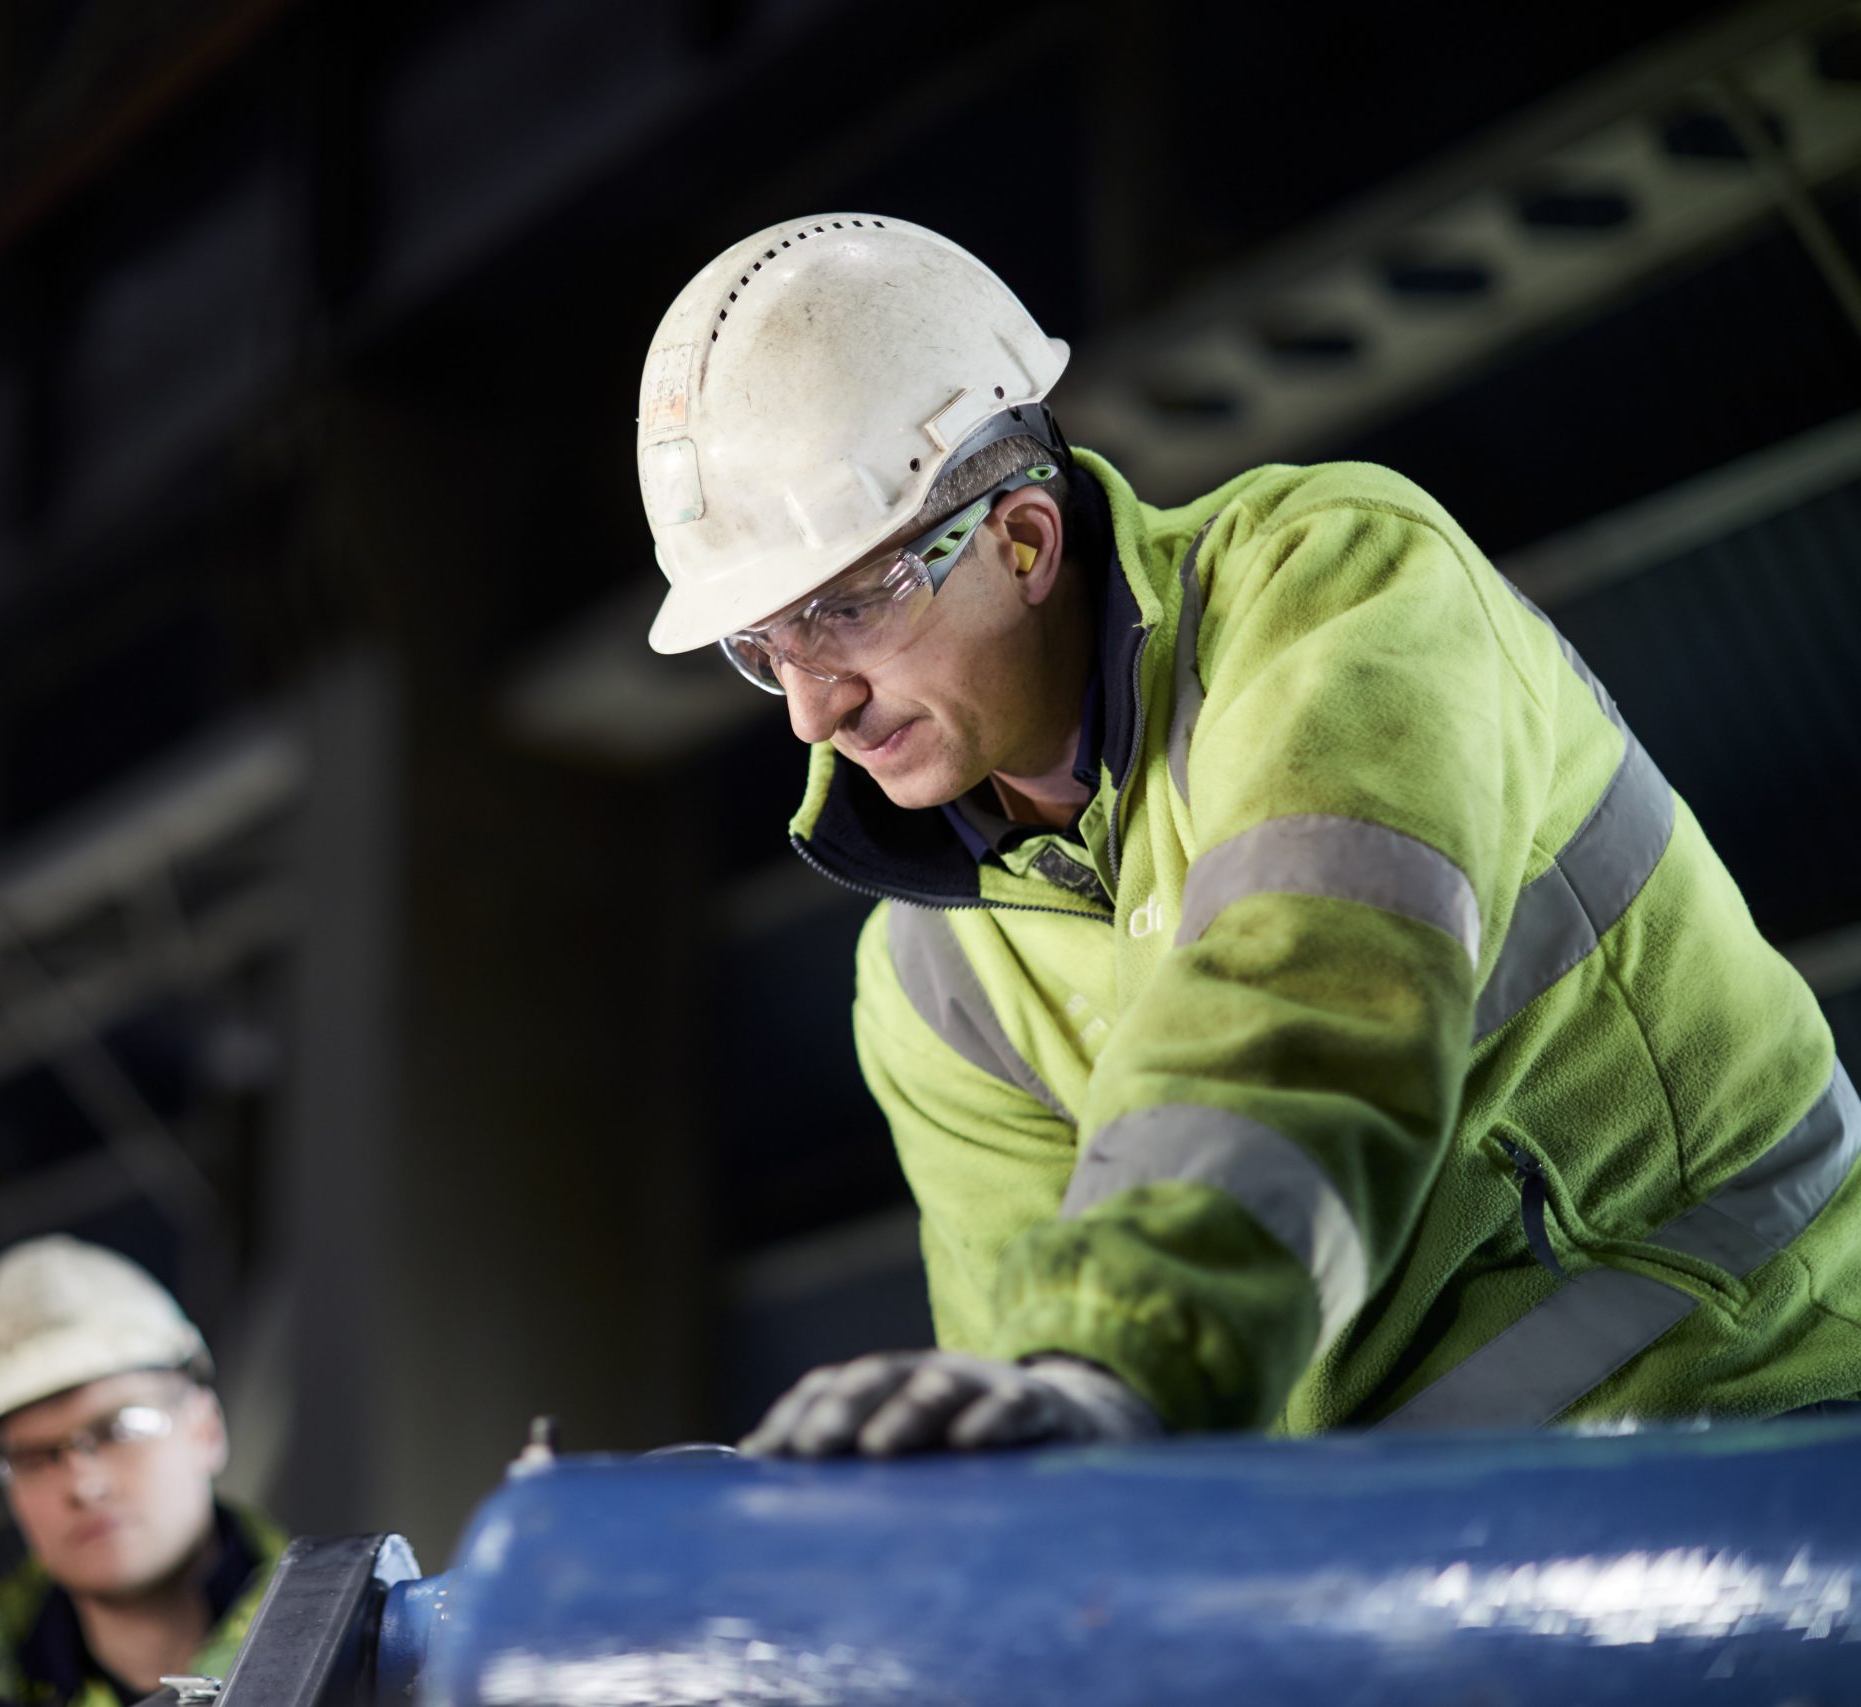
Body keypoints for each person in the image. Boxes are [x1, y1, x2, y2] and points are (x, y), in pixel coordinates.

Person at [630, 214, 1861, 1455]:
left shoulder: (1330, 588)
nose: (809, 708)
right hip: (1403, 1575)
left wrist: (1110, 1365)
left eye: (846, 608)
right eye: (764, 647)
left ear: (1021, 539)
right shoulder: (926, 978)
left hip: (1755, 1428)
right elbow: (1031, 1381)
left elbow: (1305, 1000)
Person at [0, 1235, 282, 1704]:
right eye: (34, 1457)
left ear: (206, 1430)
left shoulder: (384, 1654)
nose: (83, 1484)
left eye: (122, 1428)